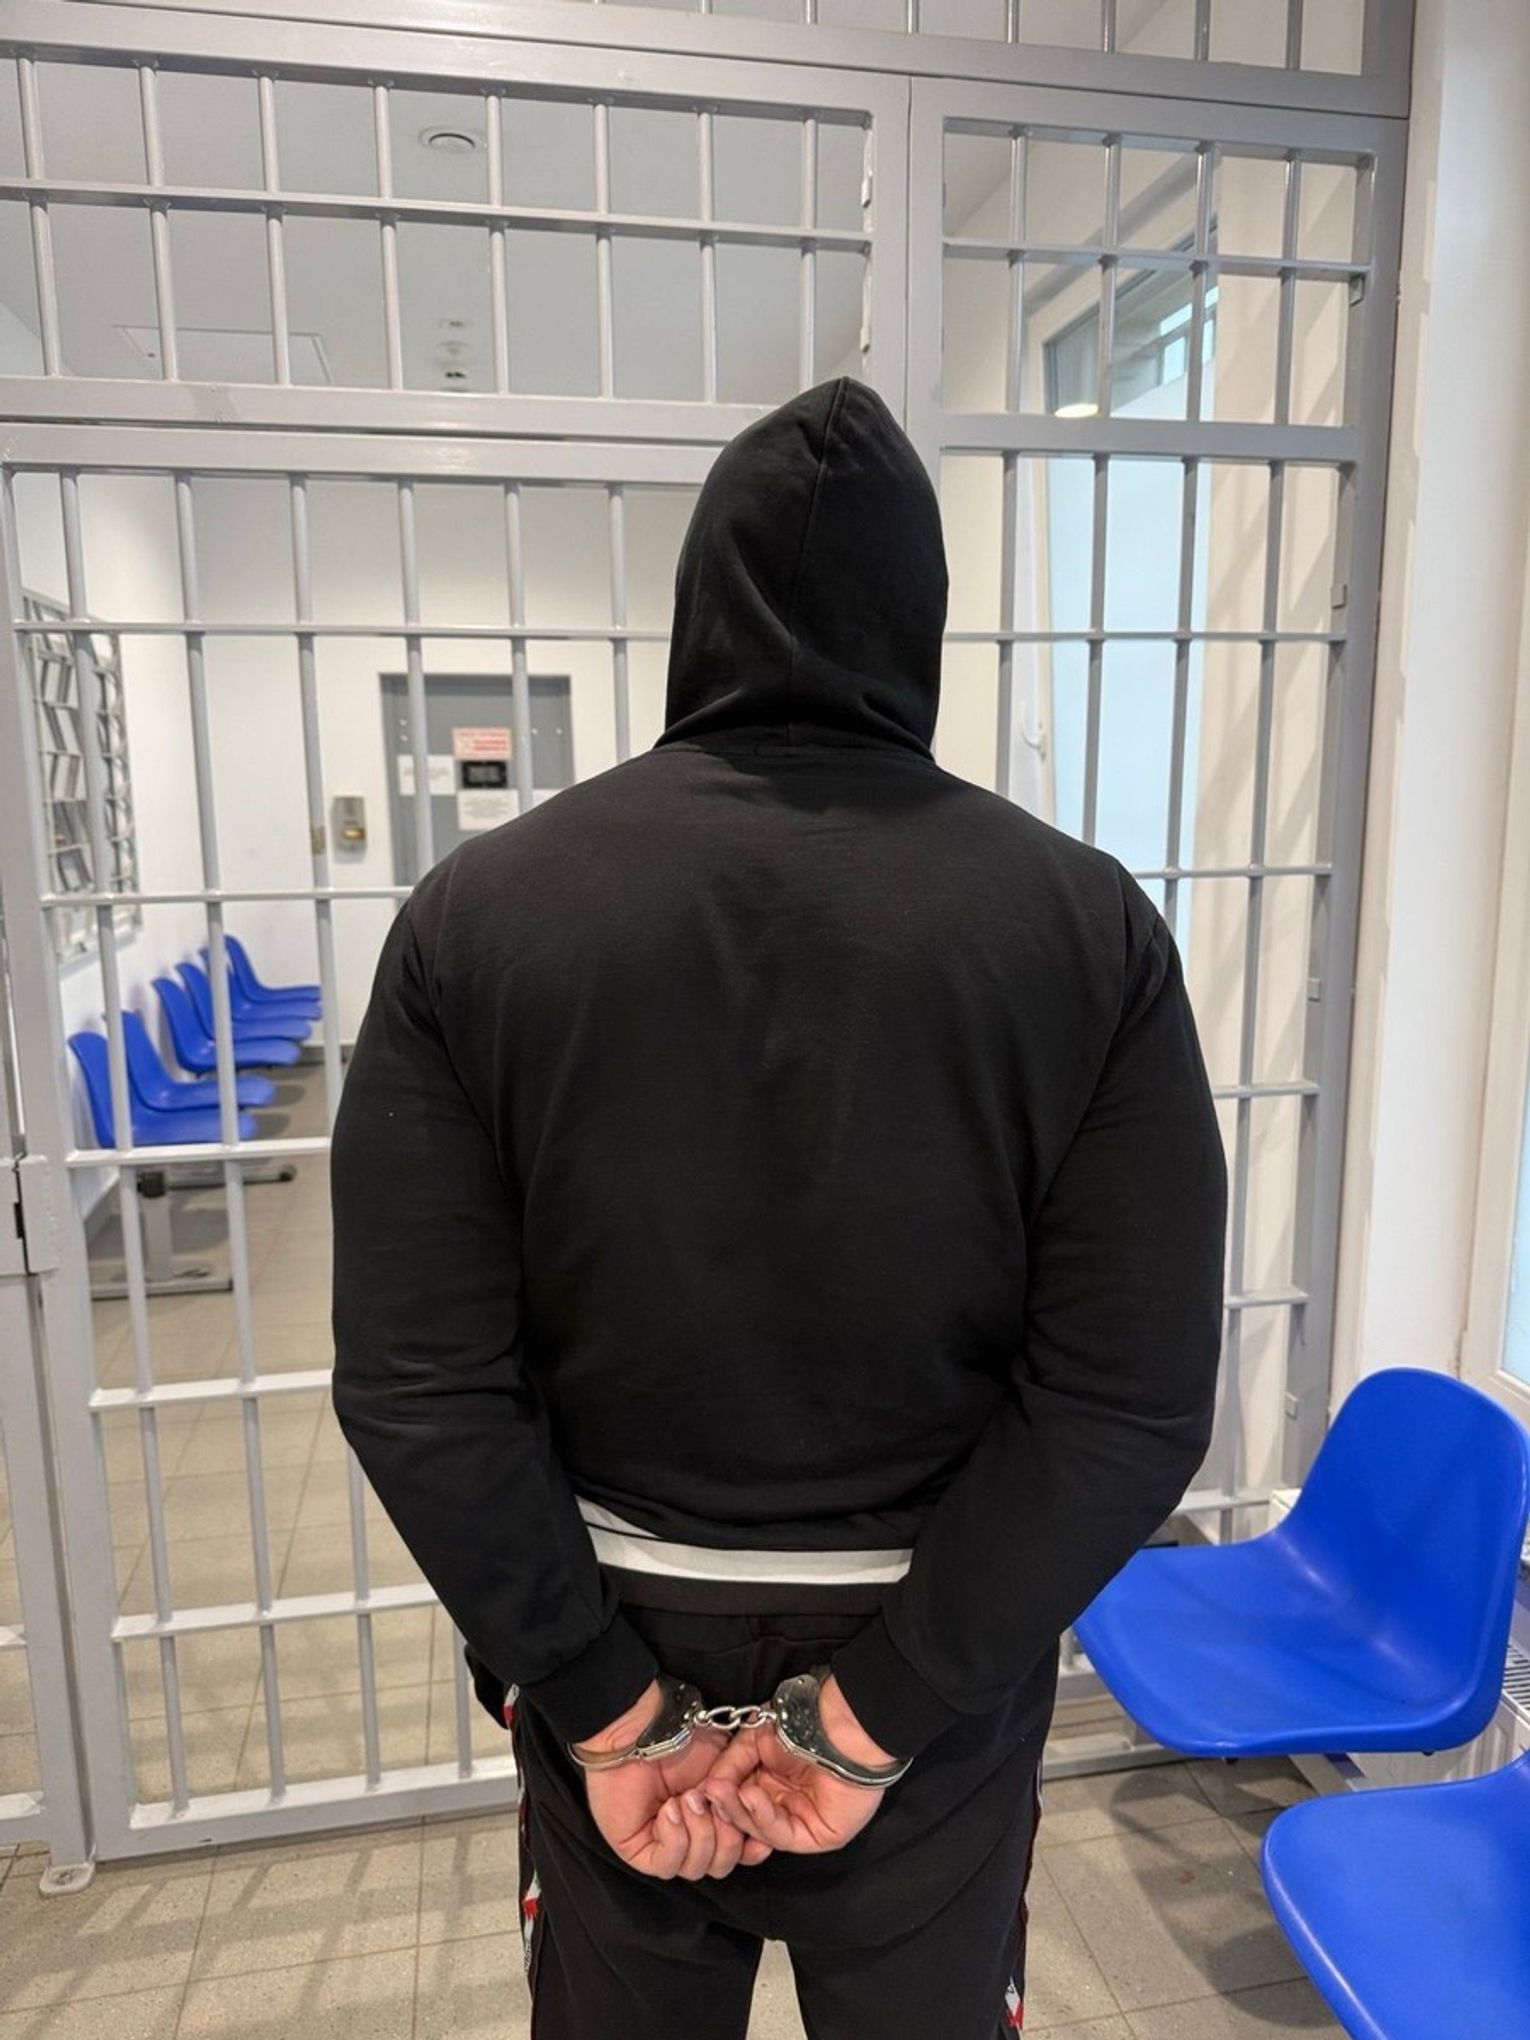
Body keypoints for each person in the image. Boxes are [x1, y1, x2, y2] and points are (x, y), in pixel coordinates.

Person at [329, 373, 1228, 2038]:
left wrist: (606, 1710)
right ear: (923, 620)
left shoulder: (478, 915)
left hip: (604, 1611)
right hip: (936, 1639)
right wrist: (870, 1718)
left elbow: (416, 1381)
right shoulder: (1087, 930)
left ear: (696, 606)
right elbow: (1127, 1398)